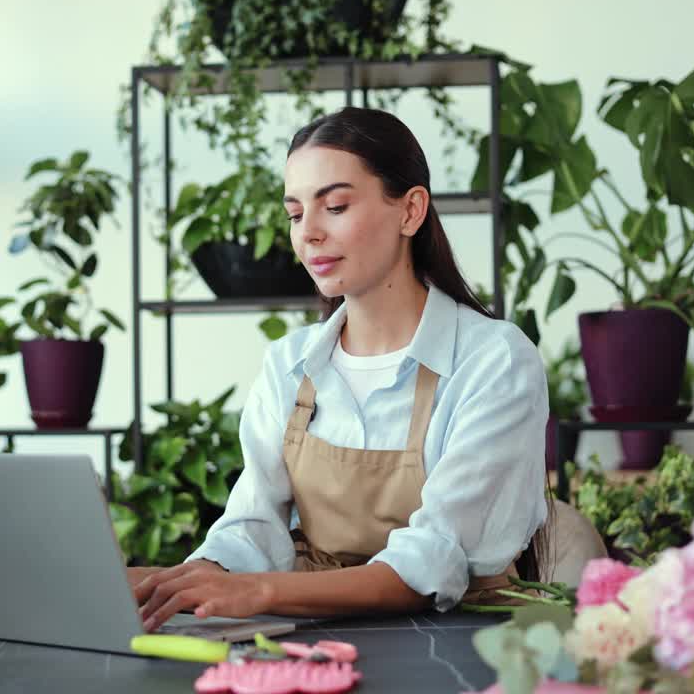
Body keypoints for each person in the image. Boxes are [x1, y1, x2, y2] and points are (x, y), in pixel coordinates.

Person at [131, 106, 551, 632]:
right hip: (317, 636)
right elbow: (252, 530)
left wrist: (257, 589)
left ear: (410, 211)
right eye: (294, 214)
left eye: (334, 206)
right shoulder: (288, 364)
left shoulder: (494, 360)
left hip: (465, 643)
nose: (308, 233)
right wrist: (174, 580)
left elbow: (430, 562)